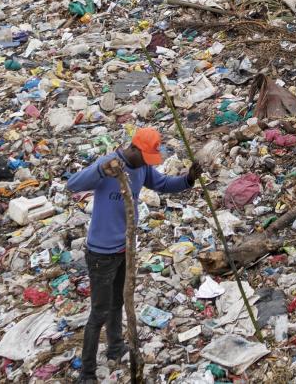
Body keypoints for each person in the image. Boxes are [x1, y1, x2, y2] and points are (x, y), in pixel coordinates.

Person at [67, 128, 199, 383]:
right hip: (101, 253)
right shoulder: (108, 165)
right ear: (135, 149)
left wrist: (188, 179)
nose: (148, 163)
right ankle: (87, 372)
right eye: (146, 156)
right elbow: (72, 184)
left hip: (125, 248)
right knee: (99, 312)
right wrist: (100, 171)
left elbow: (161, 184)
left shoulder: (142, 168)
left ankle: (115, 347)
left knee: (118, 302)